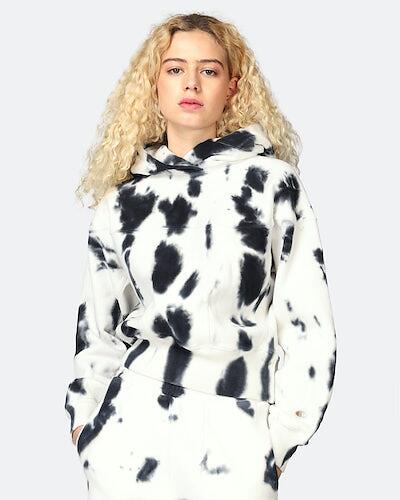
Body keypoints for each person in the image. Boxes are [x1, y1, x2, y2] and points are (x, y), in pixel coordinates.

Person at [64, 12, 337, 500]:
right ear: (154, 83)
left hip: (237, 429)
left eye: (209, 70)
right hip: (129, 432)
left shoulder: (271, 184)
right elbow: (98, 328)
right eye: (175, 69)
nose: (191, 83)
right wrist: (87, 425)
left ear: (232, 87)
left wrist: (282, 437)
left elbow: (307, 321)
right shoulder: (123, 201)